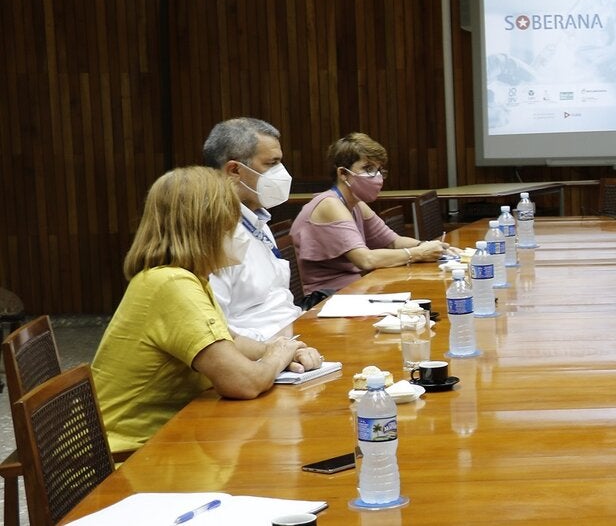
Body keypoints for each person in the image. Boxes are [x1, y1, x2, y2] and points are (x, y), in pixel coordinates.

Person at [92, 167, 323, 453]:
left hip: (169, 439)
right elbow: (243, 383)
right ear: (206, 227)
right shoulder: (172, 284)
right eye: (231, 222)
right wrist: (276, 357)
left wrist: (278, 348)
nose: (238, 232)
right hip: (131, 456)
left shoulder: (187, 277)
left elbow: (229, 341)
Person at [290, 132, 445, 307]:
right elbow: (366, 260)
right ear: (343, 173)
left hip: (355, 291)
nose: (377, 177)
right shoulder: (329, 204)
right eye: (368, 168)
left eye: (379, 170)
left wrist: (428, 246)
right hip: (326, 301)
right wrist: (418, 253)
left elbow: (393, 242)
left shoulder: (355, 203)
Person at [202, 117, 302, 341]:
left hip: (292, 336)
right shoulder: (213, 233)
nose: (282, 173)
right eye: (271, 163)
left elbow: (277, 301)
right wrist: (277, 348)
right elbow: (215, 333)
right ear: (235, 170)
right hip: (261, 353)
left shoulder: (256, 219)